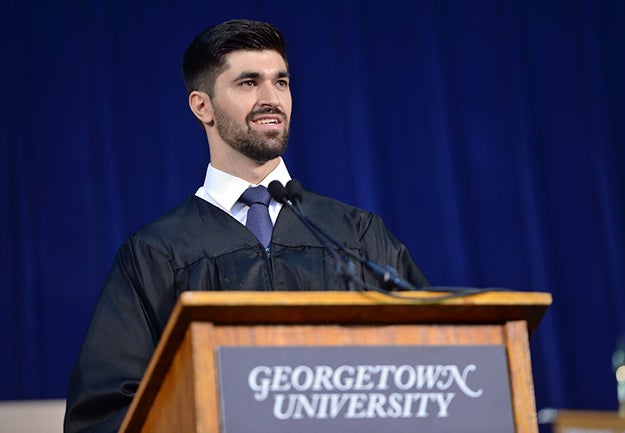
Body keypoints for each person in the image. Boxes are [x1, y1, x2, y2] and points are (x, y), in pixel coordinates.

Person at [63, 19, 429, 433]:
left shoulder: (354, 233)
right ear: (202, 106)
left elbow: (431, 365)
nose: (272, 98)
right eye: (249, 83)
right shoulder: (157, 252)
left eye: (281, 82)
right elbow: (106, 413)